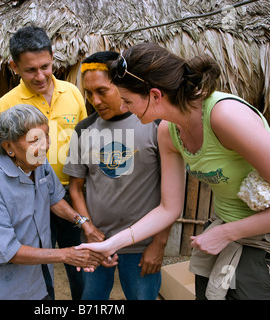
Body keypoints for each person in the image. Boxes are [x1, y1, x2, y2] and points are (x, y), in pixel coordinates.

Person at [78, 43, 270, 300]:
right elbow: (168, 208)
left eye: (128, 100)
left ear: (154, 95)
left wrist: (227, 232)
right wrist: (110, 244)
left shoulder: (225, 116)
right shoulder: (168, 130)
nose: (126, 108)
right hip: (229, 234)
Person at [0, 26, 88, 299]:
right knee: (40, 264)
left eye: (46, 66)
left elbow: (86, 142)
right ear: (14, 67)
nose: (40, 76)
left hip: (68, 194)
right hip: (29, 201)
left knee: (80, 262)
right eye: (30, 70)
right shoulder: (7, 106)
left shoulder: (73, 94)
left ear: (54, 58)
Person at [0, 105, 105, 300]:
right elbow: (9, 251)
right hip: (6, 285)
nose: (45, 145)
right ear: (9, 147)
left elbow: (54, 198)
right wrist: (67, 255)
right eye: (34, 139)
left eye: (46, 136)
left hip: (39, 272)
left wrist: (83, 223)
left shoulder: (37, 161)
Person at [63, 51, 171, 300]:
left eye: (102, 91)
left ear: (121, 86)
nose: (95, 101)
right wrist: (88, 228)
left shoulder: (154, 125)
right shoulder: (84, 130)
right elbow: (76, 188)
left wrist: (159, 244)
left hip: (142, 245)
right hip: (97, 242)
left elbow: (172, 196)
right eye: (89, 93)